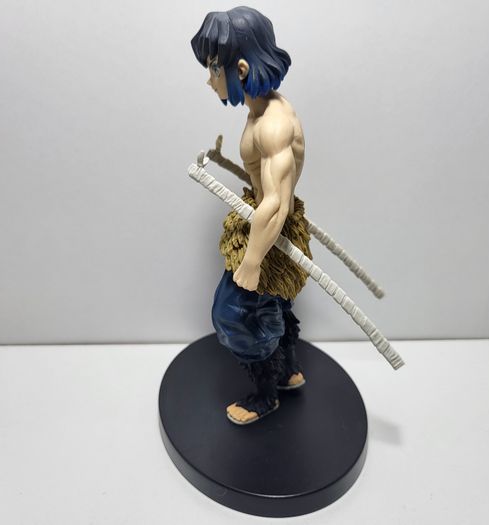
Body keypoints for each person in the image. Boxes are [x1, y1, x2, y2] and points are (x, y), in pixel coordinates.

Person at [191, 6, 313, 425]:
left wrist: (253, 261)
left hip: (270, 232)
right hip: (267, 223)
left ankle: (265, 395)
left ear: (240, 68)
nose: (210, 80)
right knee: (273, 303)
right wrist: (231, 164)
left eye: (214, 68)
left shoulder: (273, 125)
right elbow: (265, 179)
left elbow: (276, 204)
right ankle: (289, 371)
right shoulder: (262, 109)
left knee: (235, 314)